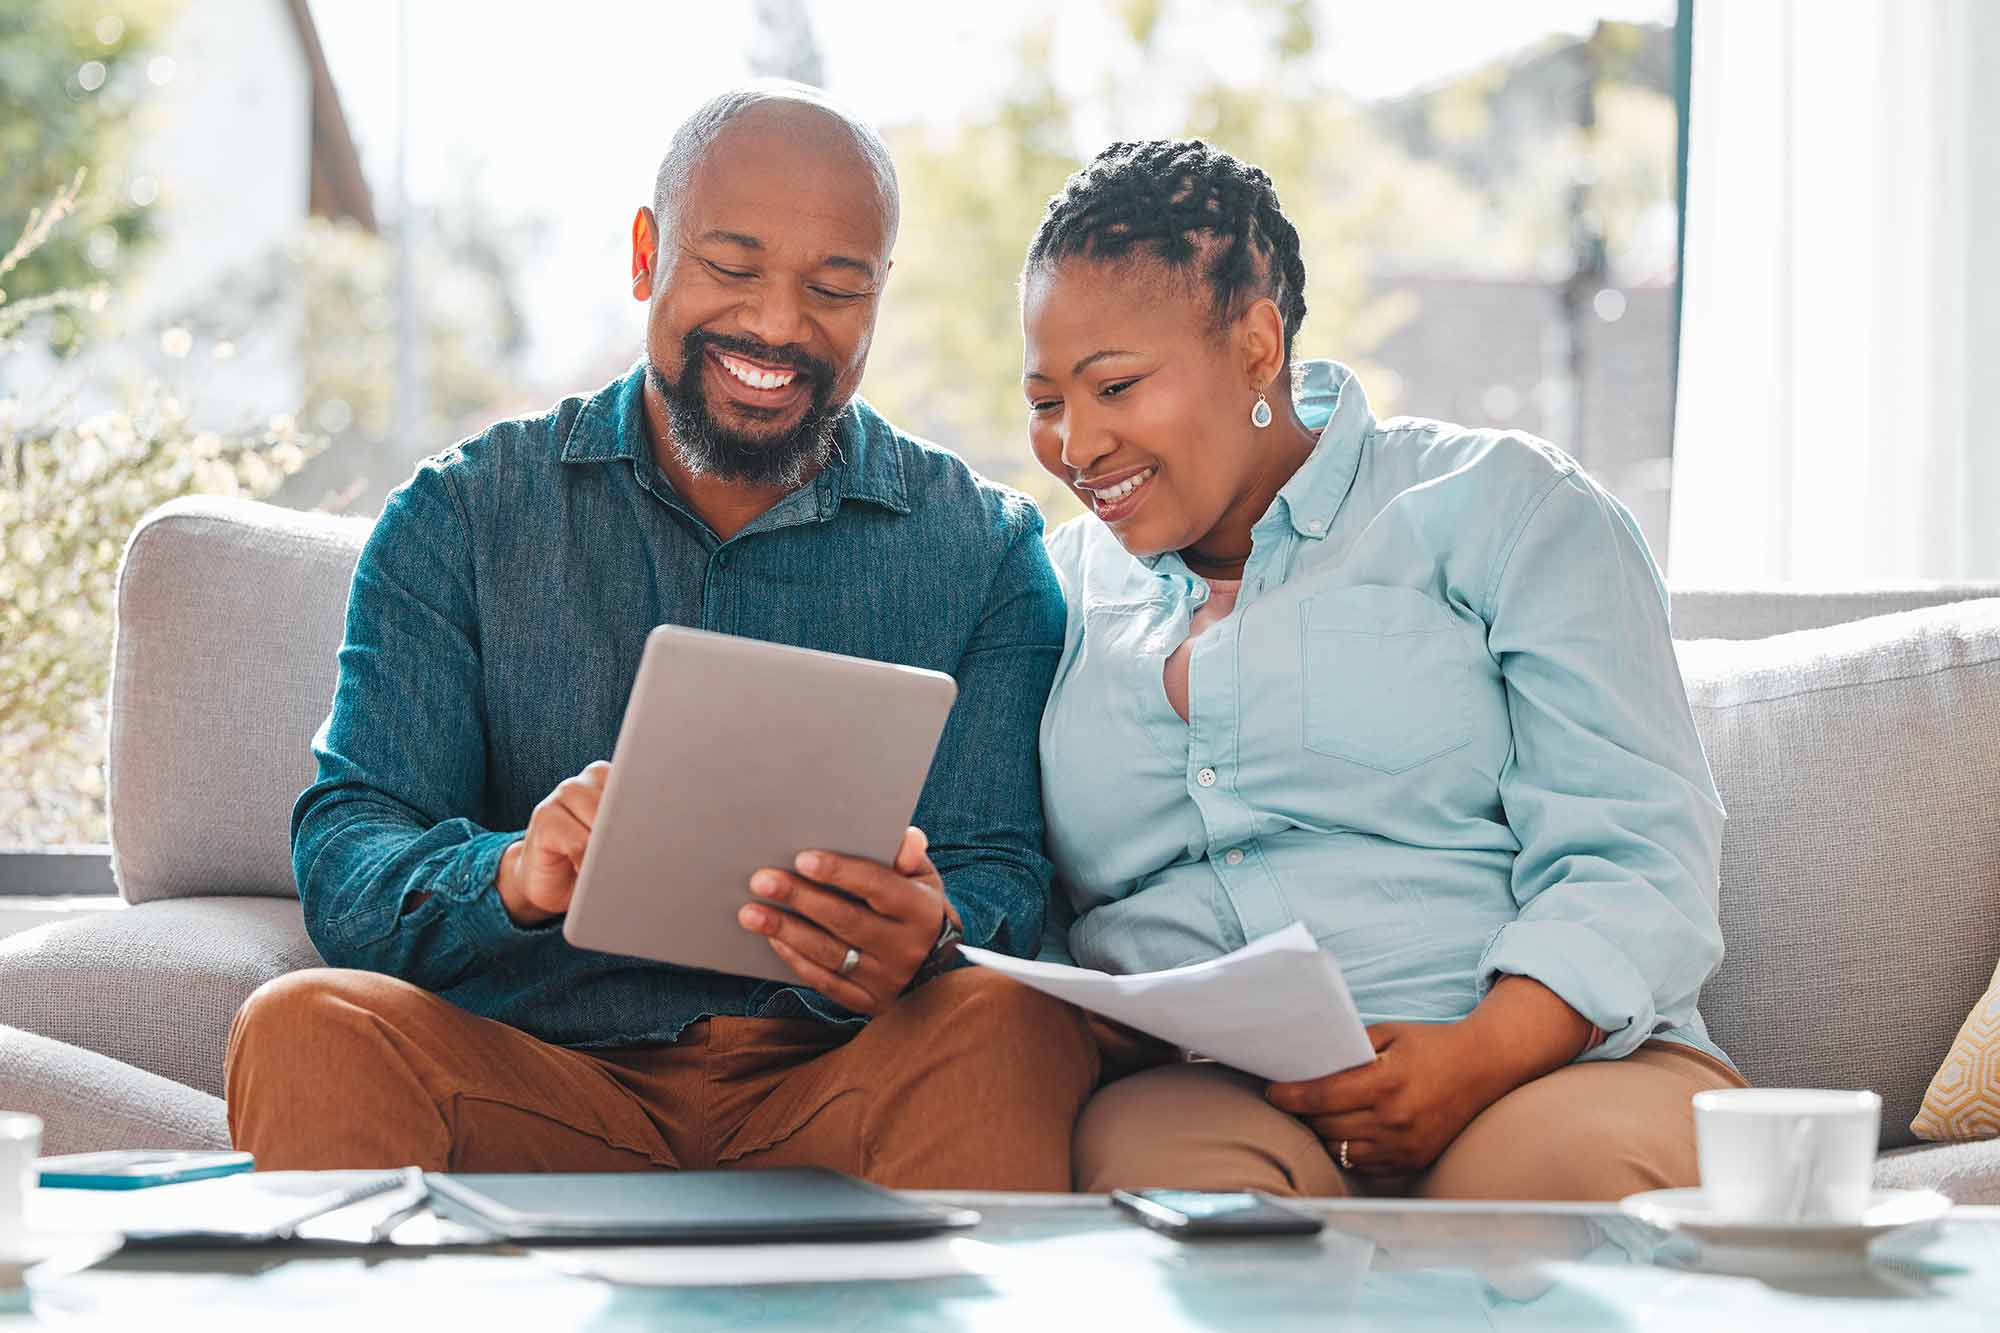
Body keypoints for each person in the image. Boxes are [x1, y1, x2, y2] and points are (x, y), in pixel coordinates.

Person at [224, 83, 1097, 1187]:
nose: (778, 326)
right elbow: (350, 851)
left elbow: (1004, 877)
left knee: (1010, 1019)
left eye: (834, 287)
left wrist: (929, 931)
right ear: (647, 255)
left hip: (838, 1077)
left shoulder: (982, 551)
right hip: (534, 1071)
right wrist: (511, 875)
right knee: (305, 1024)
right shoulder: (463, 515)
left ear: (878, 297)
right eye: (732, 269)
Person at [1019, 139, 1746, 1201]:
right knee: (1190, 1230)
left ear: (1256, 345)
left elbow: (1637, 849)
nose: (1076, 444)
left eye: (1114, 385)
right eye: (1044, 402)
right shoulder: (1051, 587)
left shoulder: (1504, 507)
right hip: (1214, 1090)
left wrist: (1477, 1056)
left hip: (1552, 1065)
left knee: (1519, 1214)